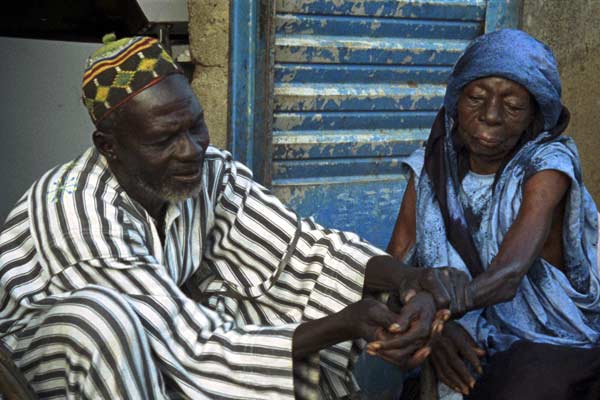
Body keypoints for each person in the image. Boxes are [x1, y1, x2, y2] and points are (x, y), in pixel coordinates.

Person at [0, 35, 469, 399]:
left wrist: (409, 279)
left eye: (195, 125)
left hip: (156, 332)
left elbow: (301, 250)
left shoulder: (209, 172)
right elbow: (189, 346)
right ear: (110, 147)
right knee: (103, 322)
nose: (191, 150)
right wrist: (345, 323)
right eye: (165, 139)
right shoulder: (78, 214)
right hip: (40, 359)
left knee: (257, 302)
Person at [387, 29, 600, 400]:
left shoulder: (547, 167)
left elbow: (508, 274)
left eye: (513, 106)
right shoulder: (430, 169)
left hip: (546, 339)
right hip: (460, 336)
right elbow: (392, 270)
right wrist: (432, 332)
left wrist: (435, 312)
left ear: (534, 113)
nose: (490, 116)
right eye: (476, 98)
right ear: (455, 101)